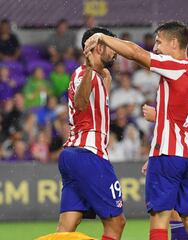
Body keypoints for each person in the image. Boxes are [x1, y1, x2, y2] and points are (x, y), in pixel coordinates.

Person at [84, 20, 188, 240]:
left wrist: (102, 37)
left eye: (159, 42)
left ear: (174, 43)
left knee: (159, 220)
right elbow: (185, 118)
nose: (155, 47)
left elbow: (134, 53)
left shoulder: (175, 67)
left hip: (169, 155)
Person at [57, 27, 126, 240]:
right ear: (98, 47)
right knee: (116, 222)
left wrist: (103, 78)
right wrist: (89, 67)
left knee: (66, 226)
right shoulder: (83, 73)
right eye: (112, 46)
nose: (116, 52)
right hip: (88, 154)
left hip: (73, 155)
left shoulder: (100, 76)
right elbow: (80, 102)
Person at [142, 89, 188, 240]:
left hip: (178, 154)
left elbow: (183, 123)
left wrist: (157, 117)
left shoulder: (180, 83)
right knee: (186, 220)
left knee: (168, 217)